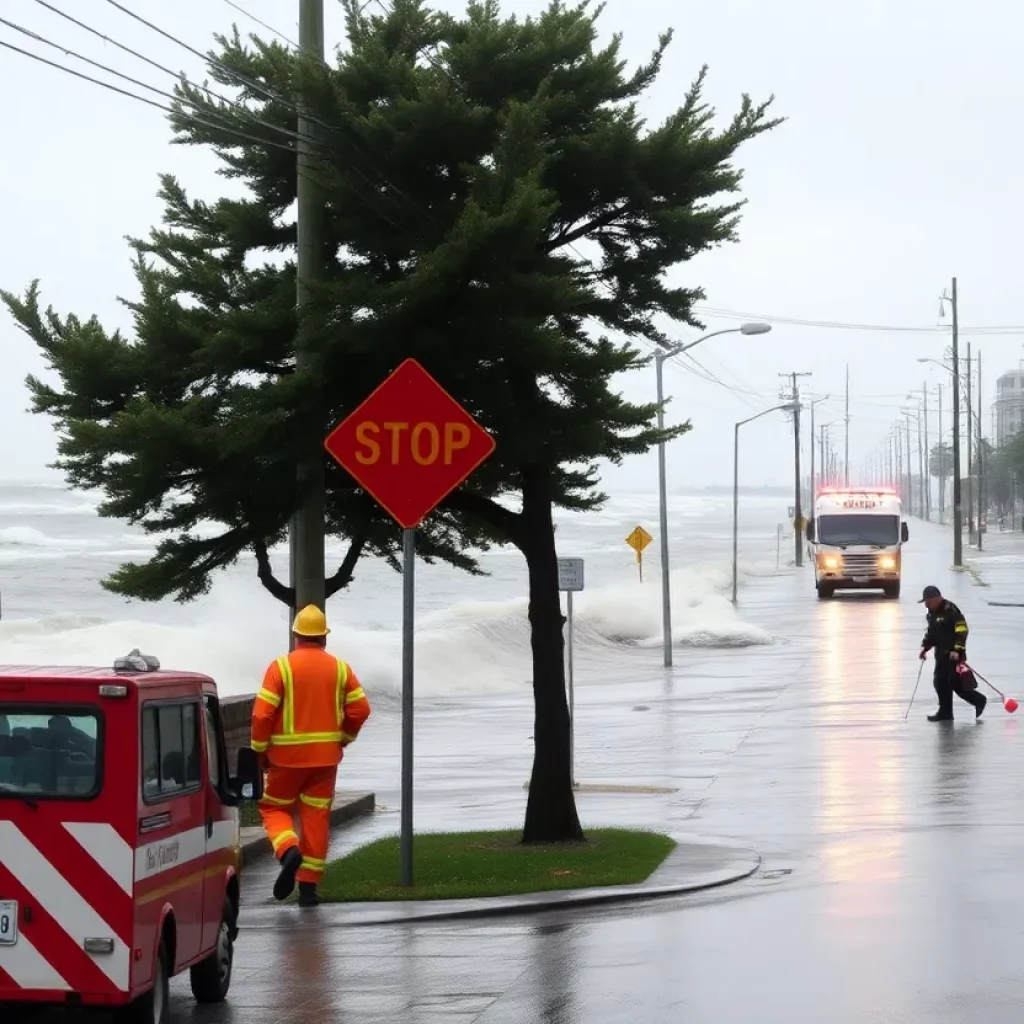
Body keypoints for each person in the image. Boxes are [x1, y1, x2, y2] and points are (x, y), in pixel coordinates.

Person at [250, 604, 371, 907]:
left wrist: (259, 751)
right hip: (326, 761)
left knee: (272, 809)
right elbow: (361, 709)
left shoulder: (281, 668)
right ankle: (308, 891)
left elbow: (263, 715)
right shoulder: (341, 668)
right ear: (324, 638)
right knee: (316, 818)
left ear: (296, 636)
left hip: (286, 761)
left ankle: (289, 851)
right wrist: (344, 737)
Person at [918, 585, 986, 721]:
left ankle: (979, 700)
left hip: (953, 655)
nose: (926, 604)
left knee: (956, 684)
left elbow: (962, 631)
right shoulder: (931, 614)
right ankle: (945, 713)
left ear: (937, 598)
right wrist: (925, 648)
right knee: (940, 683)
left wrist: (957, 650)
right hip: (941, 655)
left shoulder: (951, 610)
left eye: (928, 601)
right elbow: (932, 633)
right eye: (925, 601)